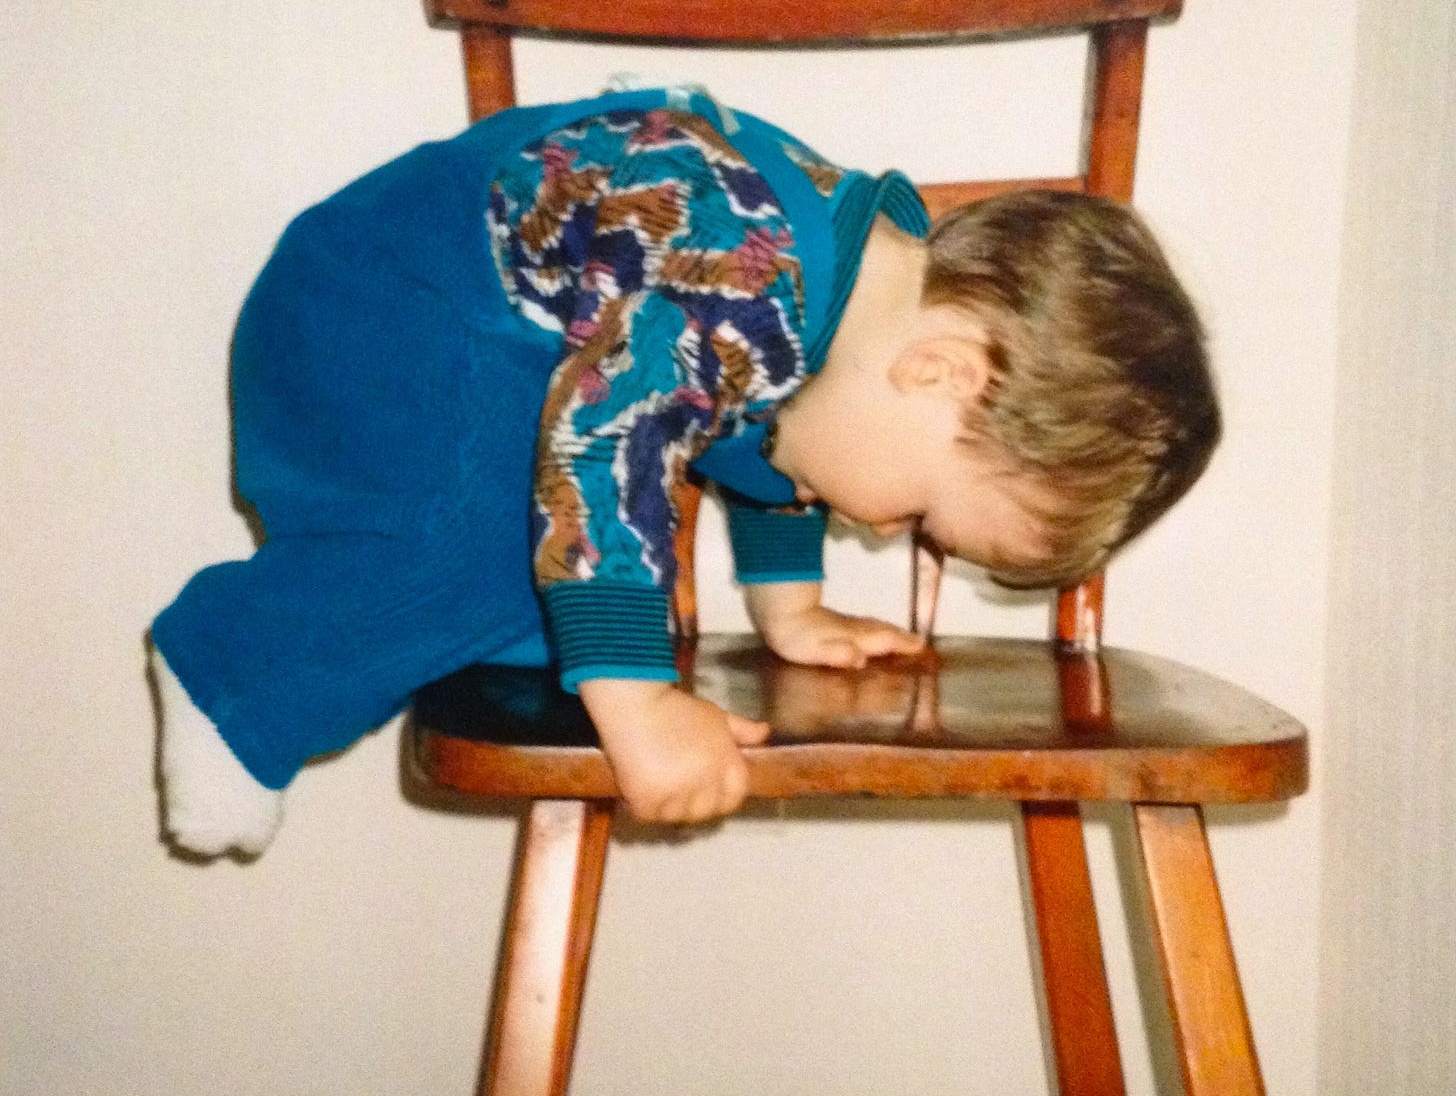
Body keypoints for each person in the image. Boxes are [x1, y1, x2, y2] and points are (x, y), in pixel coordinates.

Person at [149, 86, 1219, 852]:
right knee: (503, 546)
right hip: (377, 314)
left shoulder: (838, 293)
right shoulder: (742, 282)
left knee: (550, 600)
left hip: (469, 328)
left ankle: (439, 622)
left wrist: (789, 612)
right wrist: (642, 704)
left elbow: (768, 430)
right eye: (930, 516)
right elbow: (610, 436)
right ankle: (235, 671)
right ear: (940, 373)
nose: (894, 533)